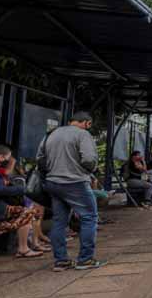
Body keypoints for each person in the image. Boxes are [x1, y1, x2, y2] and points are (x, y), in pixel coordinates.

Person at [38, 111, 105, 271]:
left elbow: (40, 158)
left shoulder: (51, 135)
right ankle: (85, 259)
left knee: (59, 221)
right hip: (75, 182)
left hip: (53, 183)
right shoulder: (82, 134)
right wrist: (89, 170)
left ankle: (61, 261)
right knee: (89, 217)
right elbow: (89, 159)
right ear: (87, 123)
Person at [0, 144, 44, 258]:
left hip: (0, 207)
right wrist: (21, 189)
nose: (8, 160)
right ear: (1, 157)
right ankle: (24, 248)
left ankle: (25, 247)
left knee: (29, 211)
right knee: (27, 212)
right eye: (8, 157)